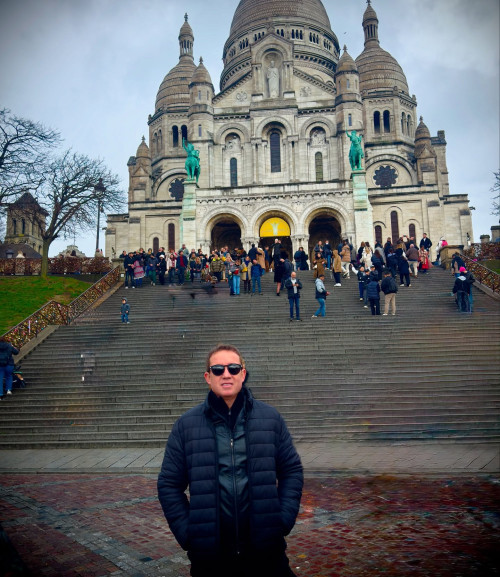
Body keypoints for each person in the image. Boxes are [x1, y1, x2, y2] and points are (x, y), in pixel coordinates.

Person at [157, 344, 303, 577]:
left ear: (243, 374)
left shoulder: (270, 419)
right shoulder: (186, 426)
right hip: (211, 558)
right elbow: (168, 484)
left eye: (234, 368)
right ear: (208, 377)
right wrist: (189, 534)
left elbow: (291, 470)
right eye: (218, 369)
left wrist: (281, 520)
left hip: (266, 553)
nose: (226, 374)